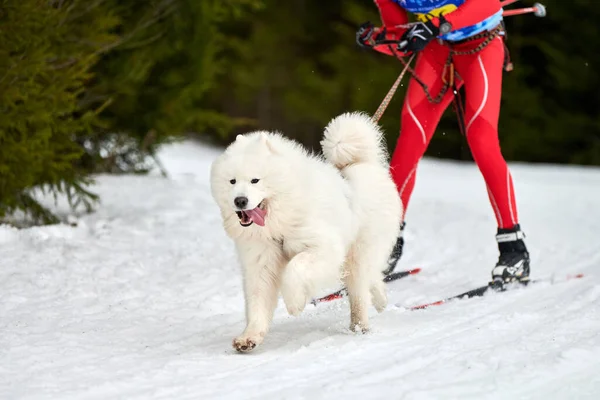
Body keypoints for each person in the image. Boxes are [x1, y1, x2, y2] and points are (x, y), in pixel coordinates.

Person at [355, 0, 530, 287]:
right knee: (409, 141)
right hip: (437, 48)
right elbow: (400, 34)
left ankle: (514, 248)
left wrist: (436, 25)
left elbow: (487, 4)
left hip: (481, 44)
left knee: (482, 140)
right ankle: (386, 240)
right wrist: (376, 39)